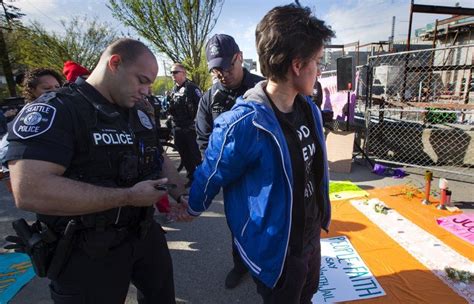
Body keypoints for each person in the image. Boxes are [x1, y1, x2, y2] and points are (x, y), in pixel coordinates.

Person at [4, 38, 188, 304]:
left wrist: (180, 194)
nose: (147, 91)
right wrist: (127, 196)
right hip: (84, 252)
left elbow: (156, 155)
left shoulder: (136, 111)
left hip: (143, 235)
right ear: (114, 63)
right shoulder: (57, 110)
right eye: (142, 80)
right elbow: (29, 191)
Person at [183, 4, 334, 303]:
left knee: (308, 294)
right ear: (297, 65)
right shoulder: (243, 122)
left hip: (310, 236)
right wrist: (191, 207)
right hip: (278, 248)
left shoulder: (310, 110)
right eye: (317, 61)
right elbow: (212, 171)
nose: (319, 69)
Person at [195, 34, 264, 289]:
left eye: (227, 66)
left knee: (268, 223)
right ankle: (240, 265)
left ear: (240, 58)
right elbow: (203, 139)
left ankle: (267, 268)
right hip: (232, 180)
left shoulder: (263, 87)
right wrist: (217, 170)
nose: (222, 73)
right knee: (237, 224)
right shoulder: (209, 98)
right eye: (216, 69)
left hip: (264, 177)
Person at [168, 63, 202, 186]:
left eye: (175, 72)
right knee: (184, 155)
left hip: (190, 128)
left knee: (195, 155)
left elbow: (201, 107)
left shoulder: (192, 88)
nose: (173, 75)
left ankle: (202, 179)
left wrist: (197, 124)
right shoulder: (173, 90)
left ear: (183, 73)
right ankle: (191, 177)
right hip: (177, 128)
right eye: (171, 72)